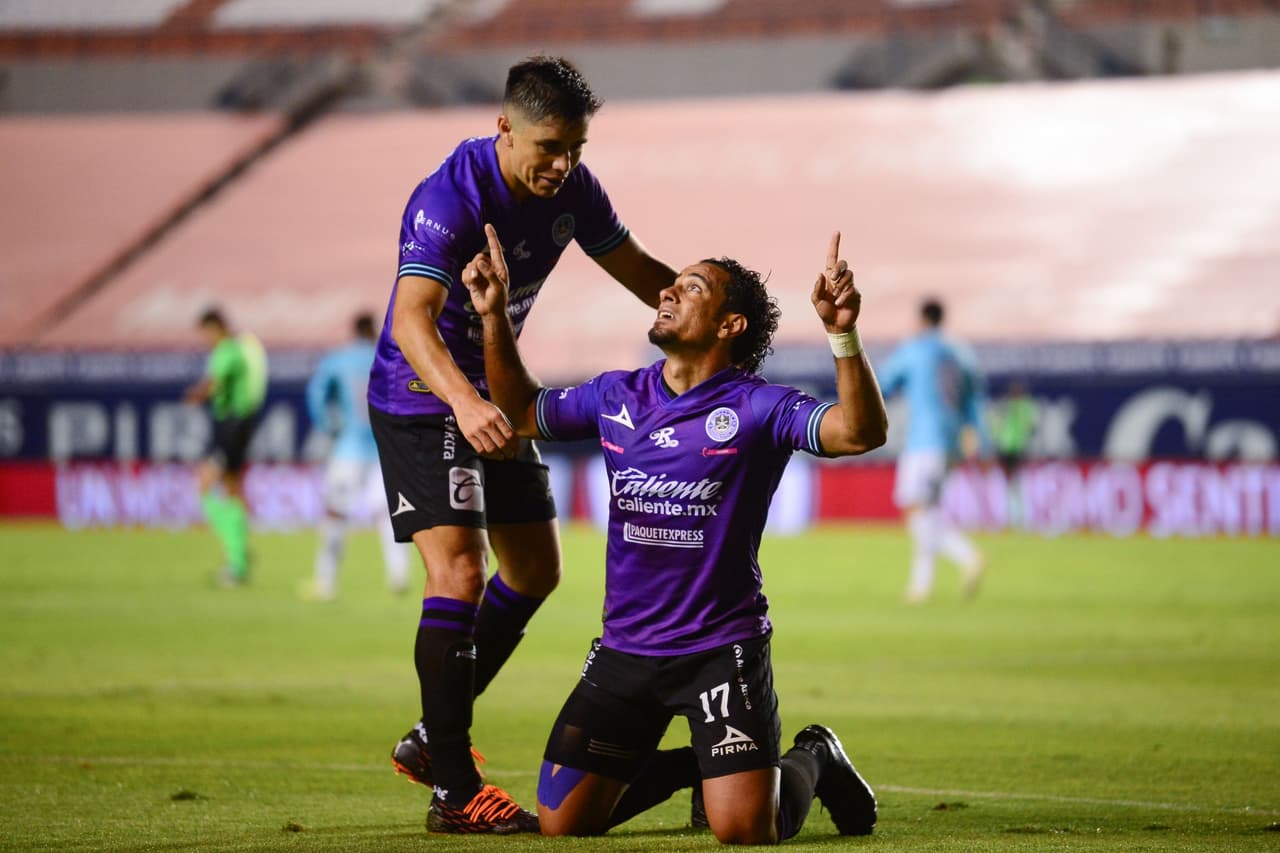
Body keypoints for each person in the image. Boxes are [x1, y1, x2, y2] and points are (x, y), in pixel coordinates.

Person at [464, 224, 886, 843]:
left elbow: (859, 433)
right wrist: (495, 316)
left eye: (690, 287)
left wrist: (841, 333)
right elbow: (524, 413)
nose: (668, 291)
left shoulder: (757, 408)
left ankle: (814, 755)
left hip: (719, 652)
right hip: (625, 651)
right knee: (562, 826)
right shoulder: (617, 394)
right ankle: (704, 767)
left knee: (745, 830)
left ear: (728, 326)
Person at [366, 55, 677, 833]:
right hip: (423, 395)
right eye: (548, 147)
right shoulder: (451, 197)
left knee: (535, 568)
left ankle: (431, 738)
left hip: (493, 396)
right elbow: (411, 320)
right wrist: (466, 402)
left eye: (574, 148)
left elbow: (640, 272)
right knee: (462, 569)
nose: (562, 164)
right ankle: (454, 786)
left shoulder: (574, 187)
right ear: (504, 128)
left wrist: (717, 318)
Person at [878, 298, 987, 604]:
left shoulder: (915, 349)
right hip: (951, 442)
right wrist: (978, 437)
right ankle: (920, 587)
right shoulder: (959, 353)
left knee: (915, 511)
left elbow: (883, 383)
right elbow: (973, 399)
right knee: (928, 512)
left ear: (923, 319)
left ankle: (967, 556)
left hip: (923, 442)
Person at [303, 312, 408, 601]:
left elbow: (316, 395)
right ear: (374, 330)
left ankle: (326, 581)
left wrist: (329, 426)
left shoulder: (338, 359)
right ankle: (399, 575)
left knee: (336, 513)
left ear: (353, 330)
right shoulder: (389, 357)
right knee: (389, 515)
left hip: (348, 449)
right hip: (383, 448)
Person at [183, 307, 268, 587]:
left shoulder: (227, 350)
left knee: (205, 484)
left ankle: (237, 555)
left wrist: (196, 395)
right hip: (237, 428)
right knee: (232, 490)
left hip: (231, 428)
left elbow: (214, 382)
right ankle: (239, 555)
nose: (205, 339)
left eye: (205, 332)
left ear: (215, 327)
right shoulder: (238, 348)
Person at [992, 379, 1037, 529]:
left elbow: (1028, 427)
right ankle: (1013, 518)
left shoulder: (1018, 406)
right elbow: (1030, 428)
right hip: (1009, 448)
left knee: (1013, 483)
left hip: (1012, 448)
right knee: (1011, 483)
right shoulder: (1022, 407)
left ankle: (1016, 518)